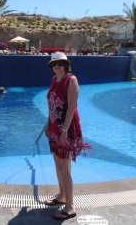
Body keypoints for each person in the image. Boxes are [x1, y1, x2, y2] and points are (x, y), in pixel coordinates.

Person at [43, 52, 91, 221]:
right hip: (55, 126)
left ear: (66, 64)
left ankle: (70, 206)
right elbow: (52, 105)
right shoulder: (53, 80)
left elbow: (71, 108)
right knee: (59, 163)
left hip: (66, 127)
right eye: (54, 64)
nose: (57, 66)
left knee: (63, 165)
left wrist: (63, 131)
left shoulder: (71, 80)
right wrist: (48, 124)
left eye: (60, 63)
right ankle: (62, 195)